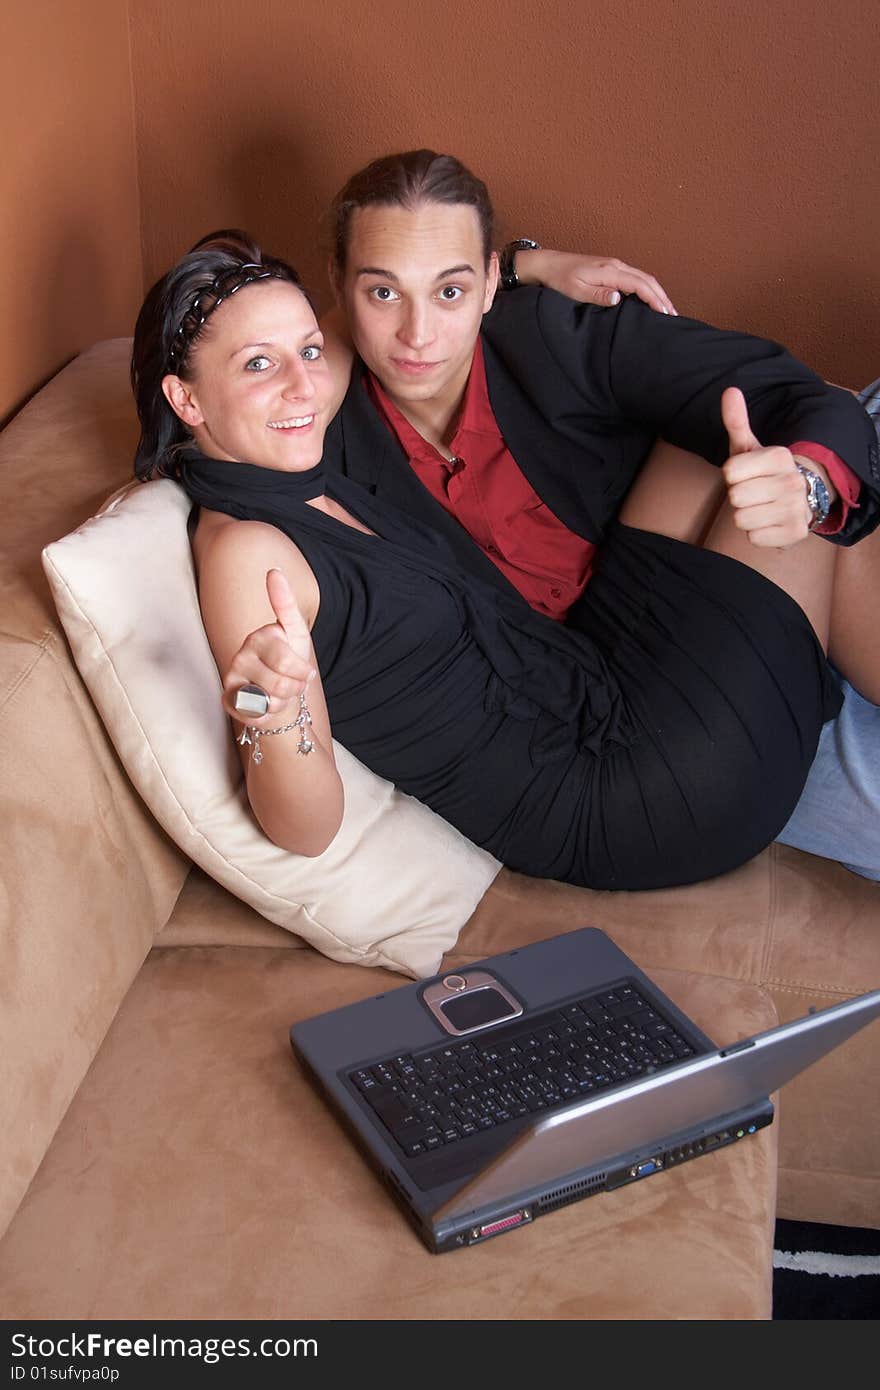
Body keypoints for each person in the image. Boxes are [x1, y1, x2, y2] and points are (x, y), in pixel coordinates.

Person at [130, 229, 870, 893]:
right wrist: (275, 714)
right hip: (631, 796)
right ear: (186, 400)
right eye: (259, 364)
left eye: (308, 352)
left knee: (747, 434)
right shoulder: (247, 551)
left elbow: (365, 313)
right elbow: (305, 828)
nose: (303, 384)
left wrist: (516, 265)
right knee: (797, 481)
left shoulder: (282, 448)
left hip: (596, 684)